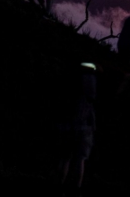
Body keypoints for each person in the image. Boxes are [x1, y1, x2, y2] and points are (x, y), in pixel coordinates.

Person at [56, 62, 97, 196]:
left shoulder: (69, 86)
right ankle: (76, 189)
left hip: (68, 126)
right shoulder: (92, 91)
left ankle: (59, 186)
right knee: (80, 160)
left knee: (65, 157)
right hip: (84, 128)